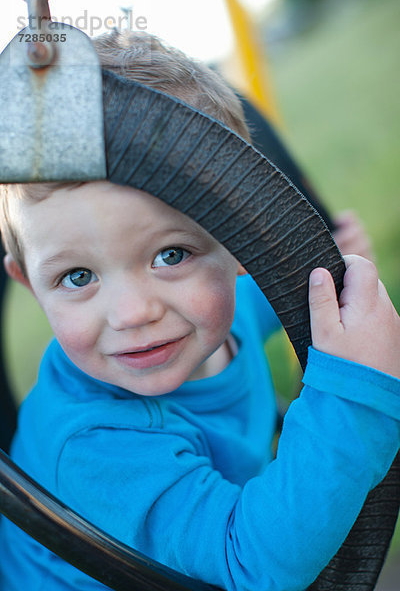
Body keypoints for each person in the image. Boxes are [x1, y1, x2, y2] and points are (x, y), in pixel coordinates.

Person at [0, 29, 399, 591]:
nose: (133, 313)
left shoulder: (210, 317)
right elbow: (254, 568)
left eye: (171, 255)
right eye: (77, 276)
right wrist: (358, 397)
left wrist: (331, 276)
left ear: (242, 247)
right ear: (28, 283)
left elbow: (265, 304)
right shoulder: (93, 443)